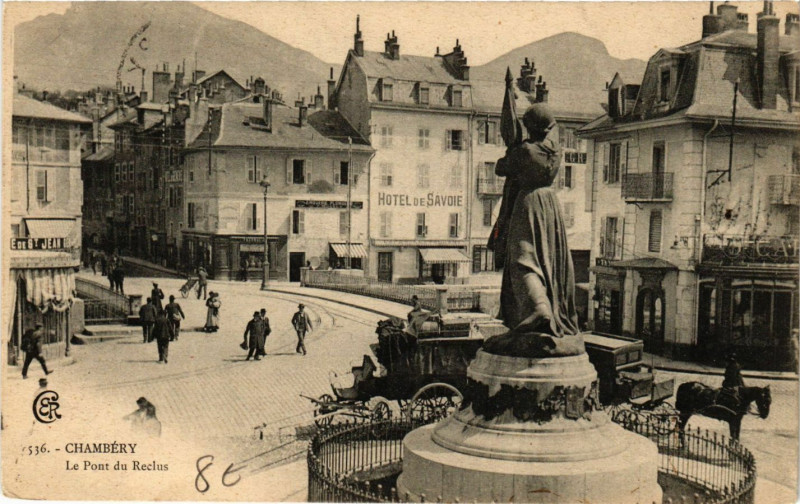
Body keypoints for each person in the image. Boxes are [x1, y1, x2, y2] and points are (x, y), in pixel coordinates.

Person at [483, 103, 580, 358]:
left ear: (529, 127)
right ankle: (546, 308)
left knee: (522, 259)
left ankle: (539, 309)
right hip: (550, 206)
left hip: (528, 204)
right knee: (548, 261)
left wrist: (513, 146)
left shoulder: (525, 151)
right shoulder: (556, 150)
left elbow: (501, 167)